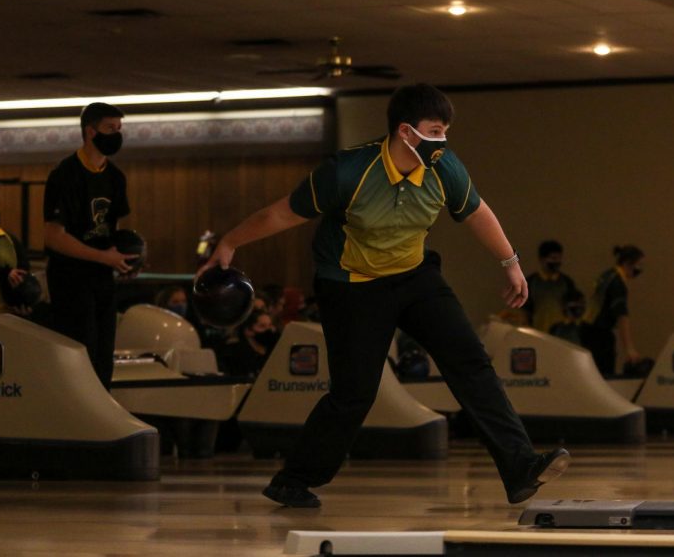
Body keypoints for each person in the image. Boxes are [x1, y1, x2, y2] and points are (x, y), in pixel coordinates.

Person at [199, 83, 569, 508]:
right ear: (407, 132)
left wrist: (511, 262)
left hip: (414, 276)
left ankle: (520, 467)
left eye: (446, 130)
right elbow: (283, 213)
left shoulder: (444, 167)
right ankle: (294, 479)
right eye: (435, 130)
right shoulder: (348, 171)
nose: (442, 140)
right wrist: (229, 242)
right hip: (351, 285)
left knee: (471, 362)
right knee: (354, 392)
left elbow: (477, 212)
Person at [43, 102, 135, 389]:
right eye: (110, 128)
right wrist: (101, 257)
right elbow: (54, 236)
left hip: (102, 277)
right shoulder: (65, 175)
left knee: (103, 355)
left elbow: (116, 230)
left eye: (119, 129)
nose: (116, 134)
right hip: (70, 276)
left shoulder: (115, 177)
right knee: (81, 349)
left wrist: (124, 259)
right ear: (90, 131)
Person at [579, 245, 645, 377]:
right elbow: (622, 317)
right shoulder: (618, 284)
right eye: (638, 265)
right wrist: (629, 349)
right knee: (604, 376)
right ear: (627, 263)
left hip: (586, 331)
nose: (640, 269)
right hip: (599, 335)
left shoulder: (607, 275)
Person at [0, 181, 33, 315]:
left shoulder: (10, 240)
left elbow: (25, 274)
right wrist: (4, 274)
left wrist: (24, 299)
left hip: (5, 315)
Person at [523, 240, 580, 333]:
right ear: (542, 259)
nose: (557, 262)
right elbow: (525, 312)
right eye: (553, 258)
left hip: (561, 335)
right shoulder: (530, 282)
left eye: (559, 258)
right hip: (538, 331)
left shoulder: (567, 282)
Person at [215, 309, 279, 377]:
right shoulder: (234, 353)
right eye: (262, 326)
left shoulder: (275, 353)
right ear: (248, 330)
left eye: (270, 325)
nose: (270, 330)